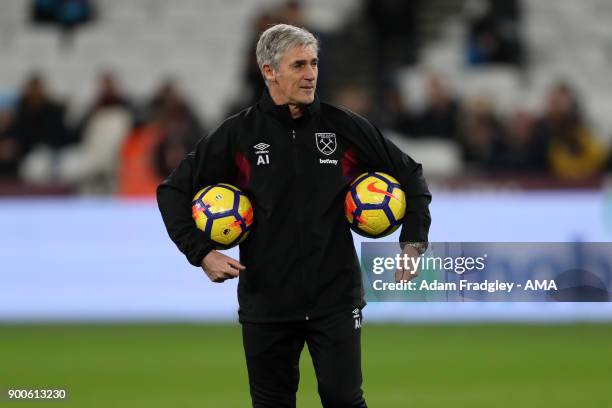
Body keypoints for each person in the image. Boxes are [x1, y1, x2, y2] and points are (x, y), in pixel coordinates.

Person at [157, 24, 431, 407]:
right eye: (299, 64)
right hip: (266, 302)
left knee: (344, 400)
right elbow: (171, 191)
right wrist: (201, 252)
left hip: (335, 298)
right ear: (269, 71)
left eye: (314, 63)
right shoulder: (239, 135)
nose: (311, 74)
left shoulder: (342, 127)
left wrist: (413, 242)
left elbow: (410, 173)